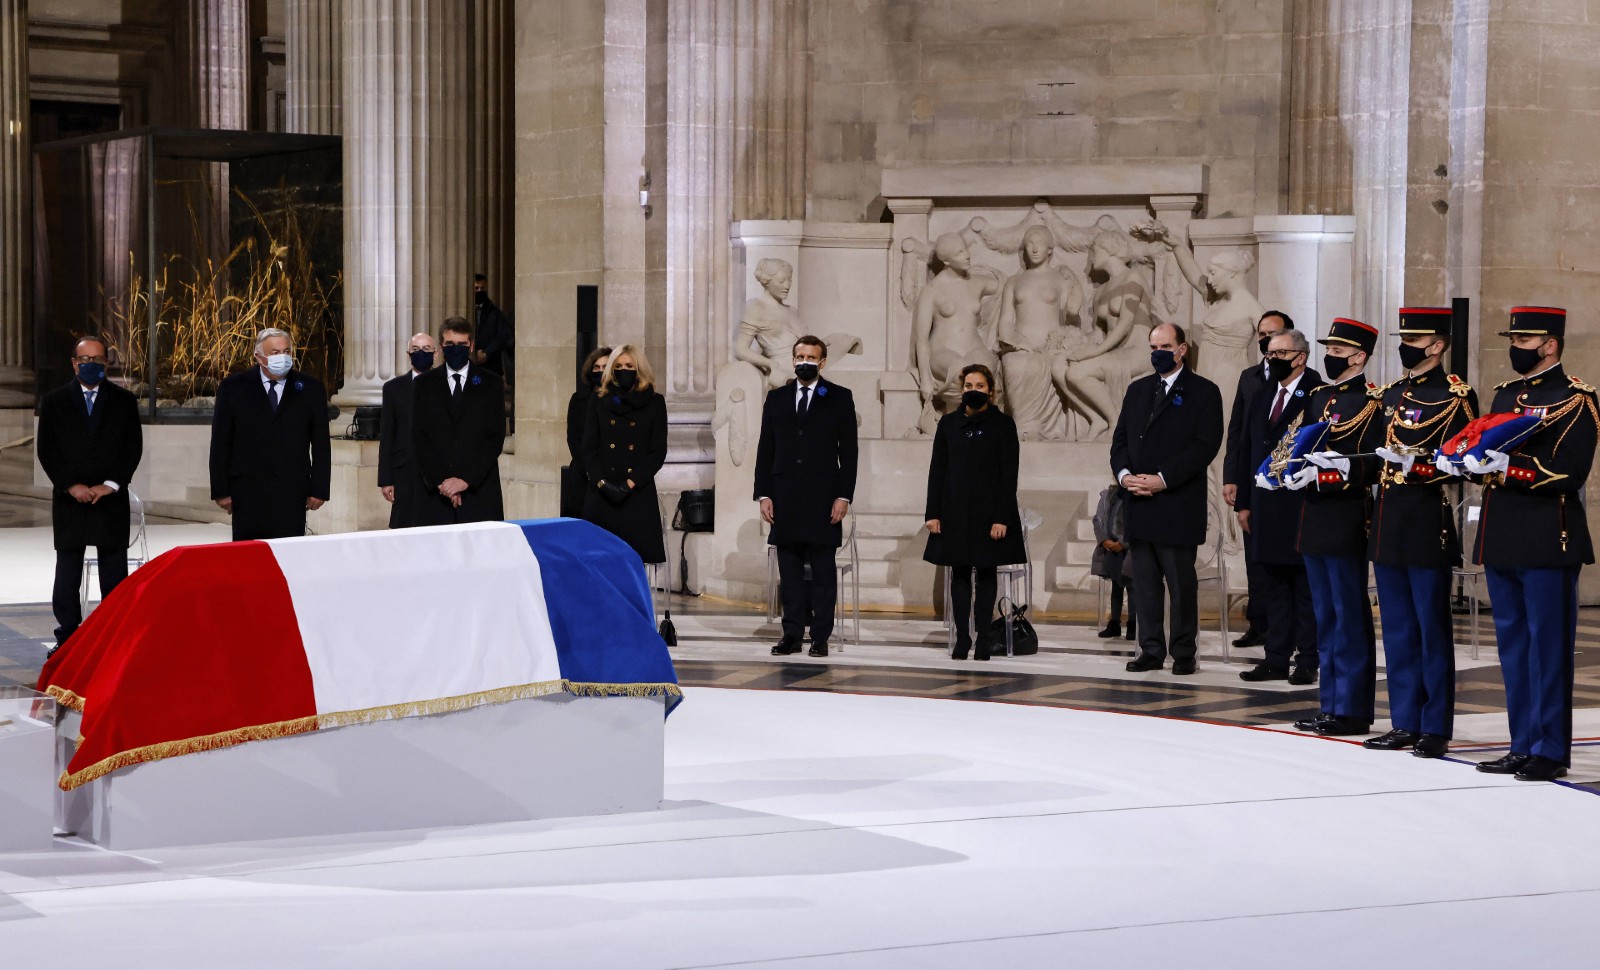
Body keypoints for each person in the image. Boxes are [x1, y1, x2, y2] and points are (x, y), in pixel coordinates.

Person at [1459, 307, 1595, 781]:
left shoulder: (1575, 398)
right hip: (1503, 533)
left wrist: (1507, 468)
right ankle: (1521, 743)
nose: (1516, 347)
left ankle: (1551, 748)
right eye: (1513, 339)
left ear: (1550, 344)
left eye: (1525, 340)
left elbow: (1570, 473)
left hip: (1547, 536)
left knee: (1548, 649)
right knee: (1514, 647)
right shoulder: (1506, 393)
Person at [1360, 307, 1476, 758]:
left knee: (1430, 627)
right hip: (1388, 518)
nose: (1406, 345)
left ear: (1437, 345)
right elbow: (1373, 452)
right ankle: (1404, 719)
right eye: (1403, 338)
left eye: (1415, 339)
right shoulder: (1390, 393)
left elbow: (1461, 458)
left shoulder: (1455, 395)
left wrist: (1419, 463)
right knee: (1397, 628)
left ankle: (1434, 724)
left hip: (1427, 518)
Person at [1109, 322, 1224, 675]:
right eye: (1153, 347)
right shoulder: (1138, 390)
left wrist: (1161, 479)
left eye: (1164, 346)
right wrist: (1125, 476)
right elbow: (1120, 441)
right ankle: (1151, 649)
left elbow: (1205, 445)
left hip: (1177, 503)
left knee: (1180, 583)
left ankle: (1184, 652)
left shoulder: (1204, 391)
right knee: (1143, 584)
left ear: (1182, 349)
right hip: (1138, 502)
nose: (1157, 353)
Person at [1295, 317, 1383, 735]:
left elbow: (1373, 463)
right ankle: (1330, 702)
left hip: (1347, 513)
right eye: (1327, 350)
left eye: (1336, 351)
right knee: (1324, 614)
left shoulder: (1373, 400)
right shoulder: (1318, 397)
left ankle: (1352, 708)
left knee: (1348, 613)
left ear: (1359, 356)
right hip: (1315, 514)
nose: (1328, 357)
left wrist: (1329, 473)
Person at [35, 335, 143, 651]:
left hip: (109, 500)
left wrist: (109, 485)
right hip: (71, 500)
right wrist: (72, 486)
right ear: (74, 363)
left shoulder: (124, 401)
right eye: (85, 360)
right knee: (68, 571)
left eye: (97, 360)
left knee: (113, 572)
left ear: (106, 364)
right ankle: (67, 637)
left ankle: (113, 636)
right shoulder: (54, 402)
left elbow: (132, 449)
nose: (91, 366)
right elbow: (47, 451)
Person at [754, 335, 859, 658]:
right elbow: (765, 449)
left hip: (824, 498)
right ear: (793, 359)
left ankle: (821, 636)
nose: (804, 362)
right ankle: (792, 634)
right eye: (800, 356)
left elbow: (849, 452)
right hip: (785, 497)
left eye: (811, 357)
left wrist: (844, 495)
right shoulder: (777, 398)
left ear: (822, 362)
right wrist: (763, 494)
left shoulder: (839, 397)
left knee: (824, 573)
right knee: (790, 572)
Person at [1235, 328, 1325, 683]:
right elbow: (1247, 450)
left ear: (1300, 357)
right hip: (1265, 503)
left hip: (1301, 502)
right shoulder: (1262, 396)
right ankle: (1275, 656)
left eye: (1280, 353)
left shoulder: (1317, 394)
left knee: (1303, 586)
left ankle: (1306, 658)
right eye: (1269, 353)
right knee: (1273, 584)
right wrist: (1244, 502)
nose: (1272, 360)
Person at [923, 364, 1026, 661]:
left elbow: (1009, 476)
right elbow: (937, 470)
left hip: (989, 513)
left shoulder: (1003, 425)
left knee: (985, 574)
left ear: (990, 391)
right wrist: (933, 512)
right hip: (953, 509)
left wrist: (1001, 518)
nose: (973, 391)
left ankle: (983, 638)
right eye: (969, 385)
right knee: (958, 573)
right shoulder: (948, 424)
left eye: (979, 386)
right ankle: (962, 638)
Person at [209, 328, 331, 540]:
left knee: (288, 556)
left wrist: (319, 489)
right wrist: (221, 489)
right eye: (274, 353)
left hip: (291, 491)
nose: (281, 357)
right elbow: (221, 442)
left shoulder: (310, 389)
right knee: (249, 559)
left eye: (286, 351)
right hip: (247, 490)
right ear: (259, 357)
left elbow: (321, 444)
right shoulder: (233, 388)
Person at [1224, 310, 1293, 648]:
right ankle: (1258, 622)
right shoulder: (1249, 377)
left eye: (1273, 333)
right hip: (1252, 479)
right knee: (1254, 555)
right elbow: (1237, 432)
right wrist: (1231, 477)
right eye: (1262, 334)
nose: (1265, 339)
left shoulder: (1304, 379)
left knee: (1283, 558)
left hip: (1287, 483)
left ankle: (1287, 627)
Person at [412, 317, 506, 525]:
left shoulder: (490, 383)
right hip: (435, 496)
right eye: (450, 345)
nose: (456, 349)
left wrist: (465, 480)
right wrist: (442, 483)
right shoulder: (423, 385)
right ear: (441, 346)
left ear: (471, 345)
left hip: (478, 492)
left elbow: (494, 438)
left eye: (462, 345)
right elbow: (419, 437)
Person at [581, 344, 668, 565]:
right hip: (602, 493)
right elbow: (588, 448)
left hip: (636, 493)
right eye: (618, 366)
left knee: (636, 560)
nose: (624, 370)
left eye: (629, 365)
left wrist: (629, 483)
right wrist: (602, 483)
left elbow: (657, 451)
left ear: (639, 369)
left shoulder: (655, 403)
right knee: (597, 560)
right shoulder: (599, 399)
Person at [377, 332, 437, 529]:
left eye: (427, 349)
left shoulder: (445, 384)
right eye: (416, 350)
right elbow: (387, 434)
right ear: (408, 354)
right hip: (405, 471)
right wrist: (386, 479)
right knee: (405, 526)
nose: (421, 353)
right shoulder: (393, 388)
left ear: (436, 354)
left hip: (439, 471)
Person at [562, 346, 611, 518]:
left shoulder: (621, 400)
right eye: (596, 367)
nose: (600, 371)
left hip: (612, 474)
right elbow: (573, 439)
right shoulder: (579, 400)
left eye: (605, 367)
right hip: (584, 475)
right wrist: (592, 471)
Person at [1090, 480, 1134, 642]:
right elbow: (1098, 520)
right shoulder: (1109, 495)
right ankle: (1114, 622)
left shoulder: (1135, 495)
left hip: (1130, 549)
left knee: (1132, 585)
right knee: (1116, 585)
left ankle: (1133, 623)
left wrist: (1123, 543)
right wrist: (1104, 540)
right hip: (1111, 547)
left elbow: (1137, 522)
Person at [472, 273, 514, 379]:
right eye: (476, 288)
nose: (479, 291)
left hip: (491, 365)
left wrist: (486, 353)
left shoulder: (494, 312)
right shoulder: (466, 310)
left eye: (482, 288)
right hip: (471, 364)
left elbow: (504, 336)